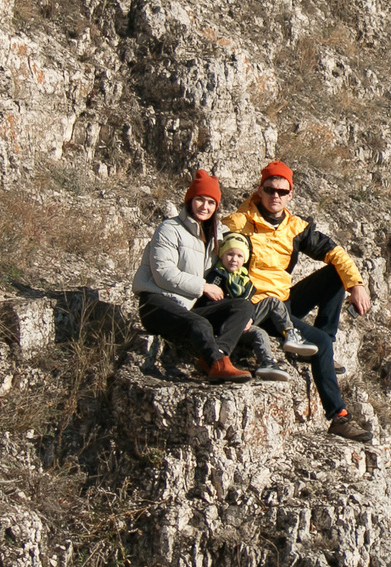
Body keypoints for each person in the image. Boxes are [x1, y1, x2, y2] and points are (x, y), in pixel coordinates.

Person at [225, 160, 375, 441]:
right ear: (260, 189)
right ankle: (338, 417)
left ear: (291, 194)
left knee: (334, 275)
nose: (275, 196)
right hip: (259, 307)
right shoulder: (240, 223)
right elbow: (220, 259)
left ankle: (322, 350)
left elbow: (335, 252)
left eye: (282, 191)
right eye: (270, 189)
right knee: (318, 343)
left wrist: (356, 284)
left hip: (284, 301)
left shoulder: (294, 226)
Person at [132, 170, 252, 382]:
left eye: (210, 202)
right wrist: (204, 287)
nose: (205, 207)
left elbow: (238, 253)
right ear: (190, 200)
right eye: (199, 200)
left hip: (188, 305)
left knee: (242, 307)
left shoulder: (216, 236)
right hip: (157, 302)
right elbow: (163, 274)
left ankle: (217, 358)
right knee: (200, 324)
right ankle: (216, 364)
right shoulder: (169, 229)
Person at [203, 229, 315, 381]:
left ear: (245, 260)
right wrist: (239, 319)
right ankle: (266, 361)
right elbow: (211, 306)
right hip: (223, 325)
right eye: (229, 254)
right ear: (221, 255)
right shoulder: (217, 276)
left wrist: (249, 318)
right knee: (260, 333)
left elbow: (247, 303)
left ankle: (288, 335)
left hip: (242, 320)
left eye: (239, 255)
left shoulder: (245, 281)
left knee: (273, 301)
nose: (234, 259)